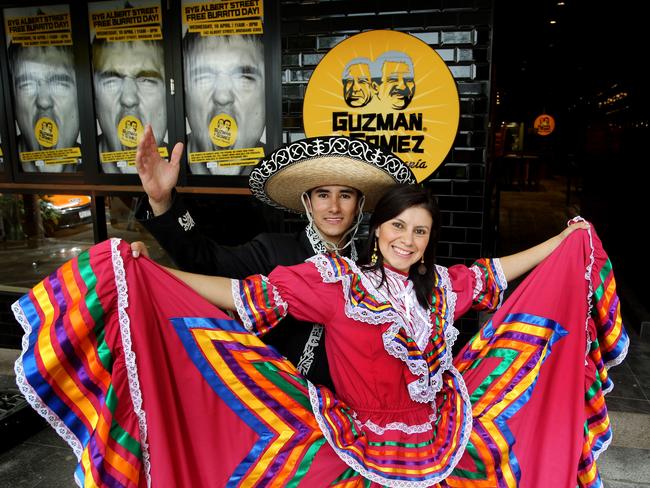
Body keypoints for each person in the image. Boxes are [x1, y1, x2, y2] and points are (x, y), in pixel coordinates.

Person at [133, 131, 416, 388]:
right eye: (322, 194)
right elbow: (205, 261)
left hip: (351, 407)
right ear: (307, 201)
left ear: (359, 205)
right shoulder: (273, 251)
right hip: (284, 408)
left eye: (345, 195)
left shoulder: (371, 264)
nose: (333, 207)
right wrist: (162, 202)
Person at [182, 32, 265, 175]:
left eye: (244, 78)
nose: (222, 96)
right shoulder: (168, 161)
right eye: (203, 77)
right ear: (185, 93)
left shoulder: (279, 168)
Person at [92, 38, 167, 174]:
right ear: (94, 98)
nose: (128, 99)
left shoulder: (180, 162)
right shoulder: (82, 163)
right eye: (111, 81)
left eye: (147, 80)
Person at [8, 43, 80, 173]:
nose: (44, 101)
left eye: (59, 84)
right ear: (12, 100)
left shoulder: (96, 162)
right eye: (27, 85)